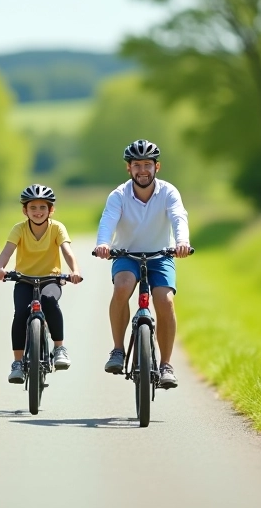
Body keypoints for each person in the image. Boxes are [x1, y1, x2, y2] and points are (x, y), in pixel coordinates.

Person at [92, 139, 191, 389]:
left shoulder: (168, 192)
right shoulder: (118, 195)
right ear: (129, 169)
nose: (142, 170)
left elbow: (179, 216)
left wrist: (182, 241)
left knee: (165, 301)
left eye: (148, 164)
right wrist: (103, 243)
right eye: (137, 165)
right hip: (127, 255)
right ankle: (117, 350)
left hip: (161, 255)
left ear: (157, 166)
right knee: (122, 287)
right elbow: (108, 221)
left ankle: (166, 365)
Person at [0, 184, 83, 384]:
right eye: (33, 207)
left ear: (51, 210)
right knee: (20, 314)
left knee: (50, 301)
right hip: (24, 279)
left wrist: (74, 271)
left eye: (43, 207)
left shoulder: (57, 228)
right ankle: (17, 363)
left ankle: (59, 348)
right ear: (25, 210)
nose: (38, 212)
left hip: (51, 279)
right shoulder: (19, 229)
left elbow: (67, 251)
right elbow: (7, 251)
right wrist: (0, 267)